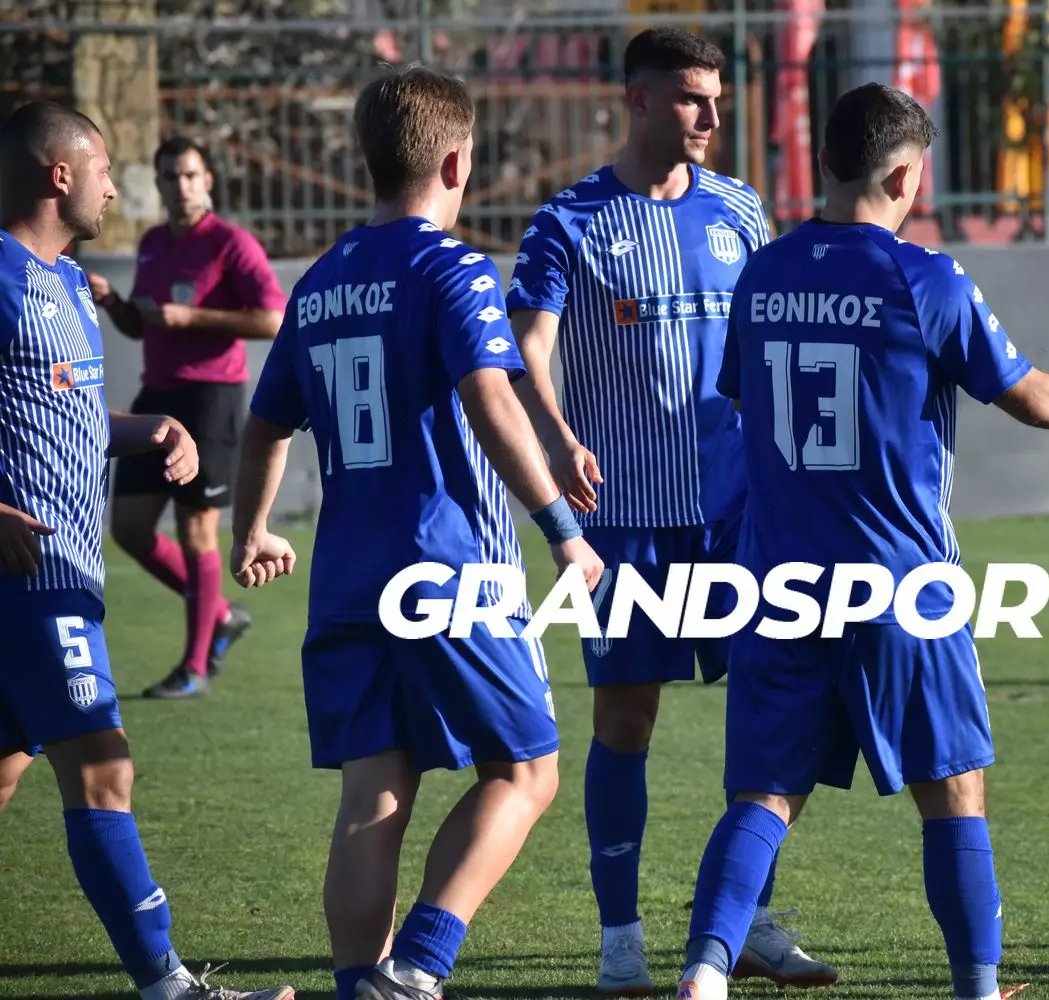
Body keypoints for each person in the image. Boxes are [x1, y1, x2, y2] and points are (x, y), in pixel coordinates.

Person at [674, 82, 1049, 1000]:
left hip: (778, 579)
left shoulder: (763, 273)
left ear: (825, 160)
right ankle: (977, 989)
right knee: (953, 789)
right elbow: (1031, 396)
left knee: (766, 794)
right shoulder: (924, 279)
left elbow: (745, 405)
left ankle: (704, 974)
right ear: (907, 176)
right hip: (899, 582)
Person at [228, 64, 604, 1000]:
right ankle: (419, 967)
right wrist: (561, 527)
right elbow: (490, 398)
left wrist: (253, 529)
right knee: (526, 772)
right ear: (455, 161)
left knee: (375, 792)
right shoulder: (453, 267)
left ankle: (360, 985)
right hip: (448, 567)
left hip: (347, 578)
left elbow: (265, 424)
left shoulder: (318, 282)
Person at [505, 27, 835, 993]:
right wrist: (557, 435)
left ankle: (751, 920)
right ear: (639, 99)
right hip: (624, 522)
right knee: (625, 720)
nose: (712, 116)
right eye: (693, 97)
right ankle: (621, 938)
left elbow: (776, 334)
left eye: (717, 98)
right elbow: (526, 350)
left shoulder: (739, 207)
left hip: (743, 517)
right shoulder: (569, 220)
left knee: (774, 717)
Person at [0, 101, 294, 1000]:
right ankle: (169, 986)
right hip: (34, 582)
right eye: (102, 170)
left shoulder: (64, 283)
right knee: (104, 772)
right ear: (59, 174)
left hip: (62, 580)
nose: (113, 189)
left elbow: (68, 413)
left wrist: (154, 427)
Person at [87, 136, 285, 699]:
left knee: (197, 531)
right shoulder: (153, 242)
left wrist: (192, 316)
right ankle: (219, 614)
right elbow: (142, 326)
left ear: (208, 181)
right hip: (158, 396)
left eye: (190, 175)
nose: (181, 186)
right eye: (170, 176)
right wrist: (115, 303)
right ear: (159, 183)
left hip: (210, 399)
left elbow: (274, 319)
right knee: (128, 528)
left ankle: (195, 668)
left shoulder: (231, 243)